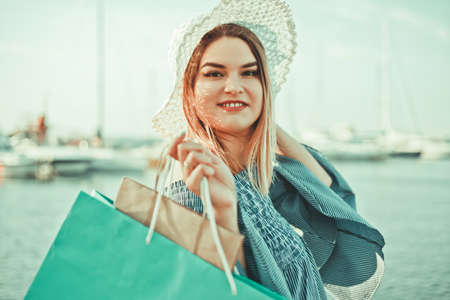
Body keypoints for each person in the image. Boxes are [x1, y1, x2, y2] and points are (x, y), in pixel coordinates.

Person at [152, 1, 385, 299]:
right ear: (190, 91)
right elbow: (220, 291)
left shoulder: (273, 184)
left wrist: (264, 117)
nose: (234, 85)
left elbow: (335, 200)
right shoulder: (194, 195)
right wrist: (224, 214)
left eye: (250, 73)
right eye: (214, 74)